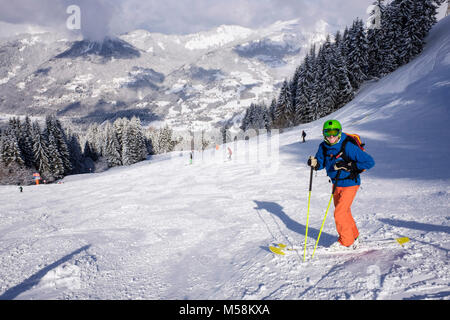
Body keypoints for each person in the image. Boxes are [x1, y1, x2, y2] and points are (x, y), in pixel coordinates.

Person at [307, 120, 375, 249]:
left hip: (350, 183)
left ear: (339, 132)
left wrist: (348, 165)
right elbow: (320, 163)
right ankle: (354, 236)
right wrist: (315, 164)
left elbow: (369, 162)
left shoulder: (347, 146)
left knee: (339, 213)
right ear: (323, 133)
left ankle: (346, 242)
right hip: (336, 183)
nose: (331, 136)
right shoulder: (323, 147)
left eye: (334, 132)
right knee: (344, 212)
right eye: (328, 132)